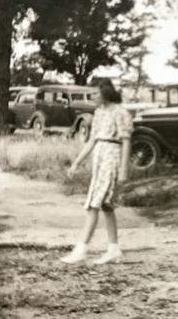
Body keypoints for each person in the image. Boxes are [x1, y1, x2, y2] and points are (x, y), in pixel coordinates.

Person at [60, 79, 133, 264]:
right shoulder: (98, 113)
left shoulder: (120, 112)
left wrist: (124, 169)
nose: (92, 96)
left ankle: (81, 249)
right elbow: (92, 140)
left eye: (95, 93)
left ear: (106, 92)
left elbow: (126, 141)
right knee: (106, 205)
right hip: (99, 158)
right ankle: (113, 248)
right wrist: (77, 162)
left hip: (112, 157)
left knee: (94, 204)